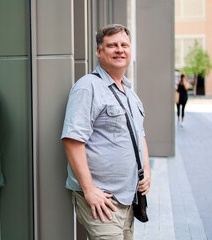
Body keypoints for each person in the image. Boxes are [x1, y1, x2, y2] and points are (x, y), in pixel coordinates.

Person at [61, 24, 151, 240]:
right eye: (112, 45)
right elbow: (73, 141)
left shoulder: (130, 93)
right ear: (99, 52)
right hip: (102, 200)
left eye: (124, 45)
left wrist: (146, 170)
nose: (119, 49)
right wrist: (90, 189)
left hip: (128, 199)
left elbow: (139, 135)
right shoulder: (88, 87)